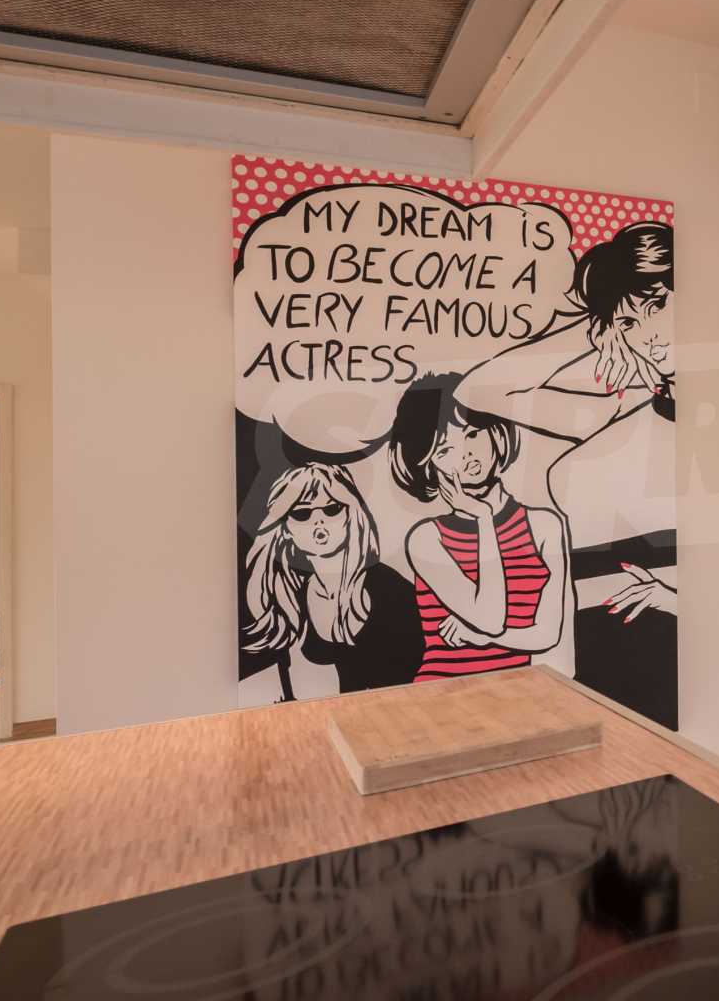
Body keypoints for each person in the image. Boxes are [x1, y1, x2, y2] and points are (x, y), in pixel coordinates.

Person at [453, 223, 679, 724]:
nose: (649, 335)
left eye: (659, 305)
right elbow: (479, 388)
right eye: (630, 322)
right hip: (602, 665)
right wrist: (599, 318)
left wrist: (678, 600)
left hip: (680, 665)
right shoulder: (617, 415)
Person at [384, 372, 570, 678]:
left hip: (517, 692)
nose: (466, 454)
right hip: (442, 692)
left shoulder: (544, 526)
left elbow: (548, 634)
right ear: (429, 466)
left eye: (471, 434)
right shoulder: (427, 538)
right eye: (445, 450)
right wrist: (483, 518)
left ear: (496, 432)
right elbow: (489, 618)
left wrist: (483, 638)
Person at [240, 462, 421, 699]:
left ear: (351, 515)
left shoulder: (390, 589)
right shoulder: (291, 601)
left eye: (332, 509)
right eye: (302, 513)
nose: (319, 521)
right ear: (284, 529)